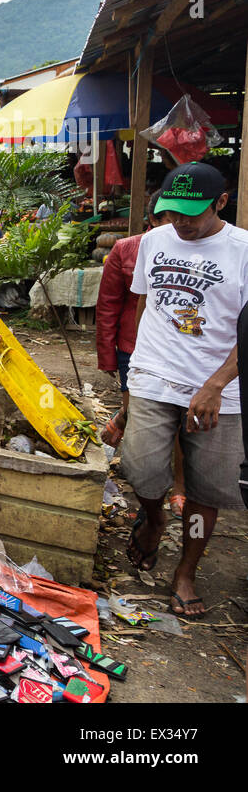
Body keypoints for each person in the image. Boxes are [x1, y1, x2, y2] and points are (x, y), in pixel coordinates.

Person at [122, 163, 248, 618]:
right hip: (155, 375)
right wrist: (131, 380)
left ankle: (186, 571)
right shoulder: (154, 241)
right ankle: (154, 519)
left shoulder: (243, 251)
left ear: (221, 202)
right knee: (141, 468)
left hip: (219, 390)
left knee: (204, 491)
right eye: (172, 212)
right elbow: (144, 306)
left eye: (192, 214)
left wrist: (216, 384)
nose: (181, 222)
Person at [97, 192, 186, 510]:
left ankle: (179, 485)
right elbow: (108, 304)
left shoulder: (197, 252)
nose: (179, 224)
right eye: (170, 218)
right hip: (132, 346)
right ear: (154, 221)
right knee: (142, 411)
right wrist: (106, 354)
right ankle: (125, 421)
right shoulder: (127, 248)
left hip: (181, 350)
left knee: (178, 421)